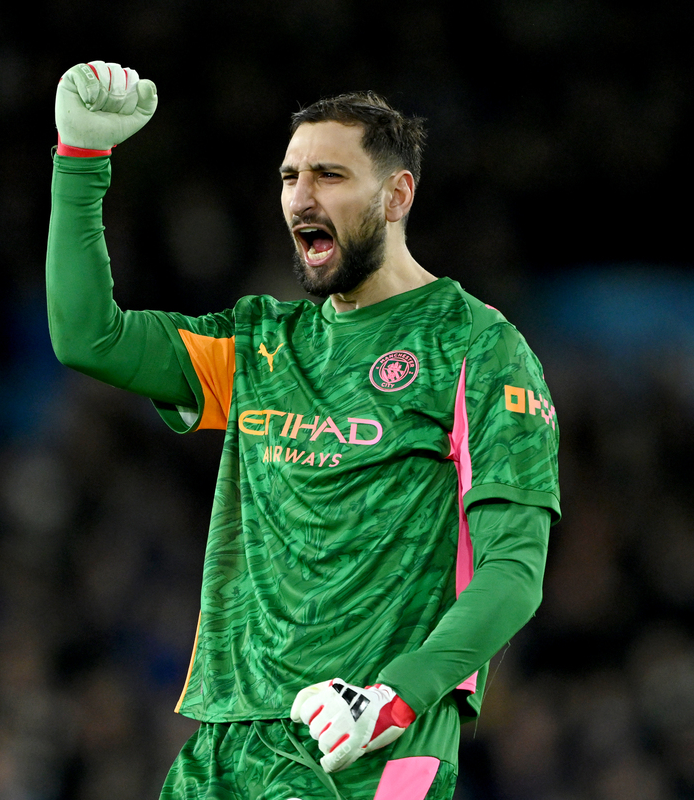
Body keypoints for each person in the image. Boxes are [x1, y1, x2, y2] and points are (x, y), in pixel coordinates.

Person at [47, 61, 560, 800]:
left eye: (328, 175)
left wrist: (393, 698)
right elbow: (88, 338)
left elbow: (514, 573)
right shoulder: (260, 344)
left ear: (396, 195)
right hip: (226, 748)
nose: (300, 198)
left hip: (367, 747)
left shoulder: (474, 348)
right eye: (290, 177)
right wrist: (82, 161)